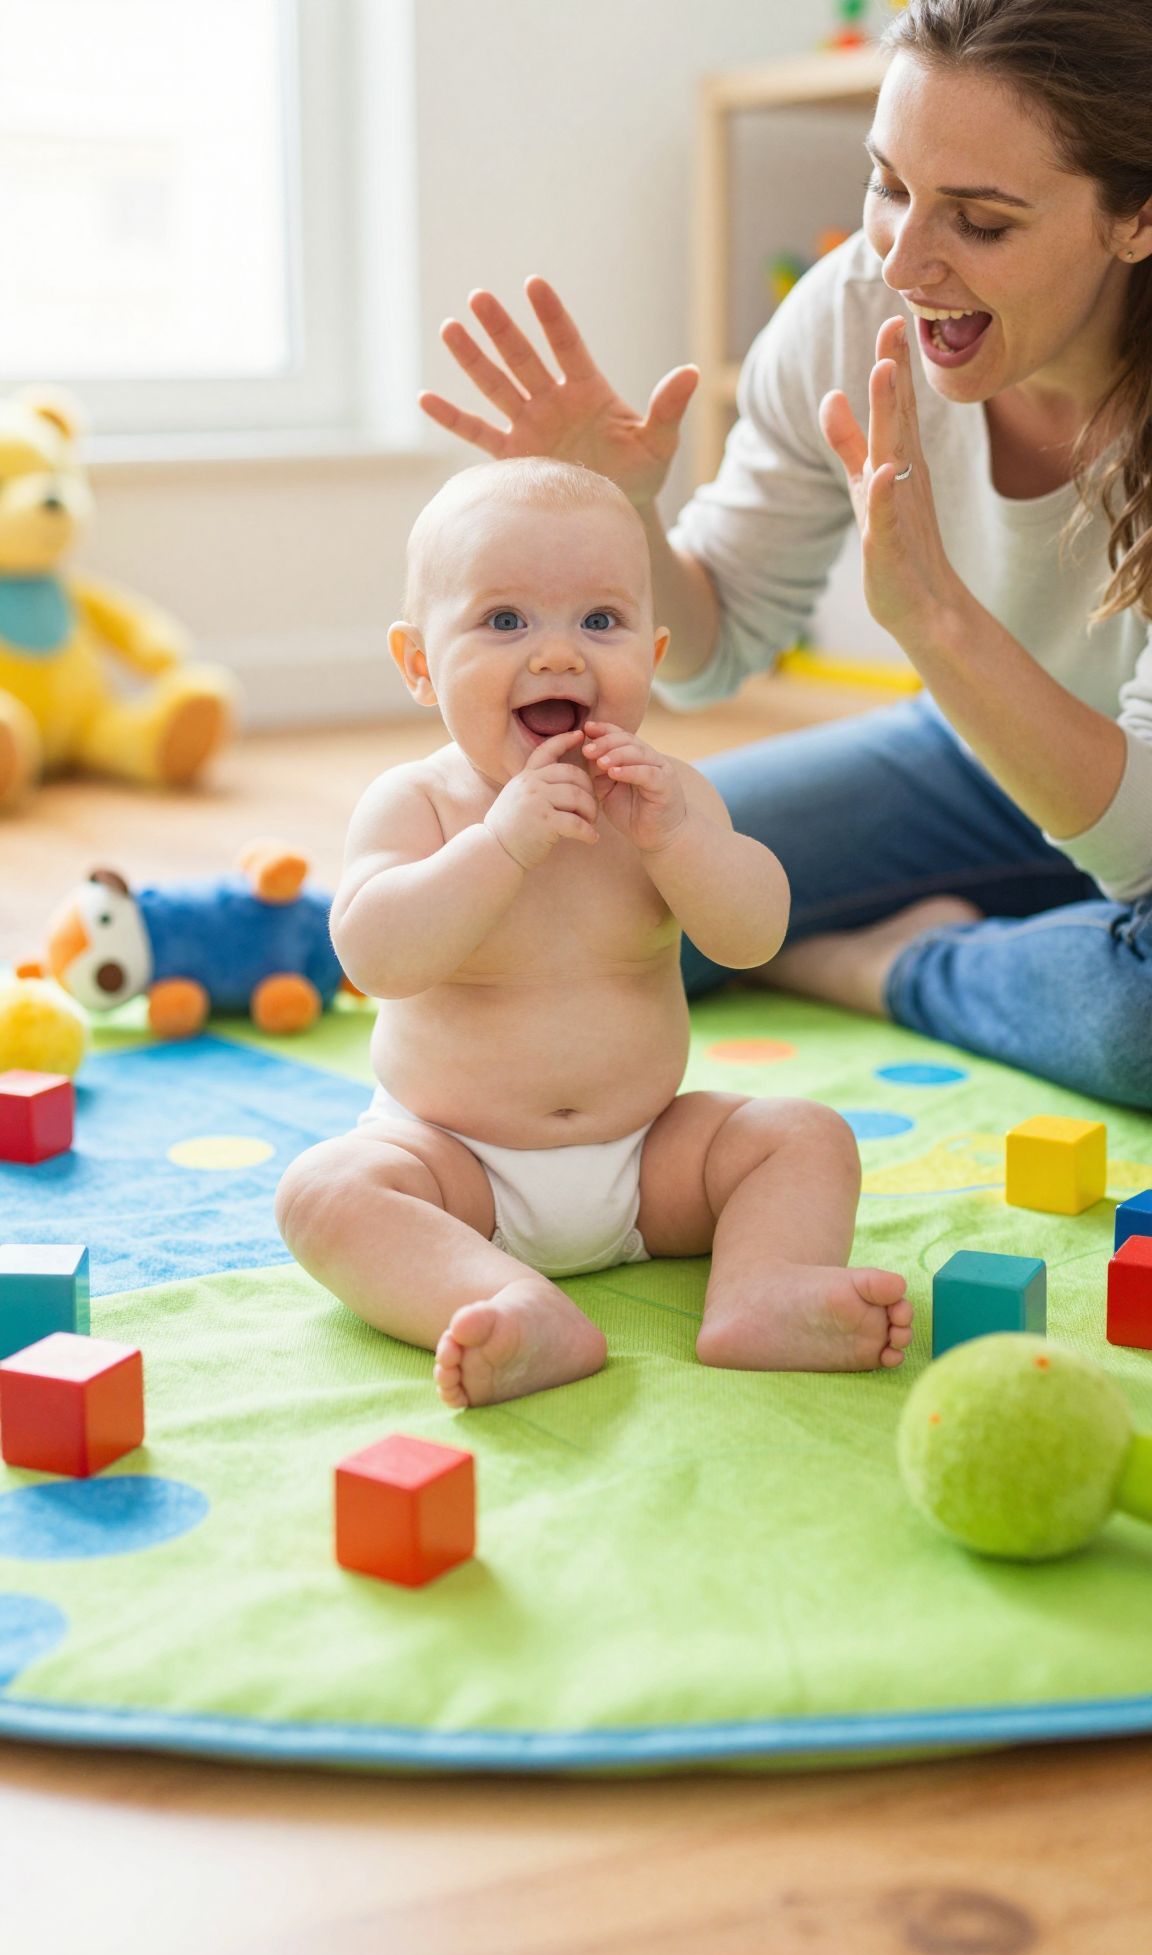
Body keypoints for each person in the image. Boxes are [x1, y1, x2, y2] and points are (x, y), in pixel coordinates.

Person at [418, 0, 1152, 1111]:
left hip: (1131, 809)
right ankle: (251, 926)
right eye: (889, 186)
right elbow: (712, 648)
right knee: (590, 873)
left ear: (1136, 217)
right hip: (975, 757)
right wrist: (620, 516)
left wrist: (932, 618)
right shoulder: (855, 310)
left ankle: (894, 963)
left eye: (982, 223)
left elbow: (1139, 843)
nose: (904, 258)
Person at [275, 460, 914, 1407]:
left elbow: (753, 936)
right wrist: (502, 845)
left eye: (600, 621)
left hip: (649, 1159)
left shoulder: (667, 799)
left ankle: (761, 1292)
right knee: (323, 1194)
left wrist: (683, 844)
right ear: (418, 664)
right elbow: (376, 955)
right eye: (505, 621)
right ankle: (505, 1300)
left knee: (803, 1136)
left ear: (652, 656)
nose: (560, 655)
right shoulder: (420, 803)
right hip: (456, 1166)